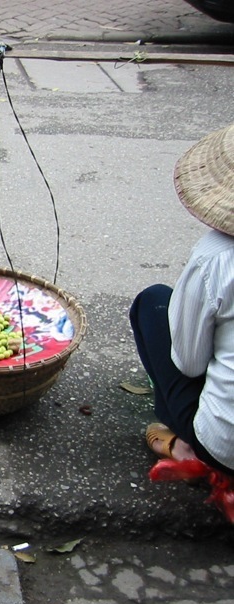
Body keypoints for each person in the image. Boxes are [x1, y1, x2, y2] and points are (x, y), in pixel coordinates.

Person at [129, 122, 234, 518]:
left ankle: (188, 447)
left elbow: (188, 363)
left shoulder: (219, 256)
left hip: (225, 447)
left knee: (154, 302)